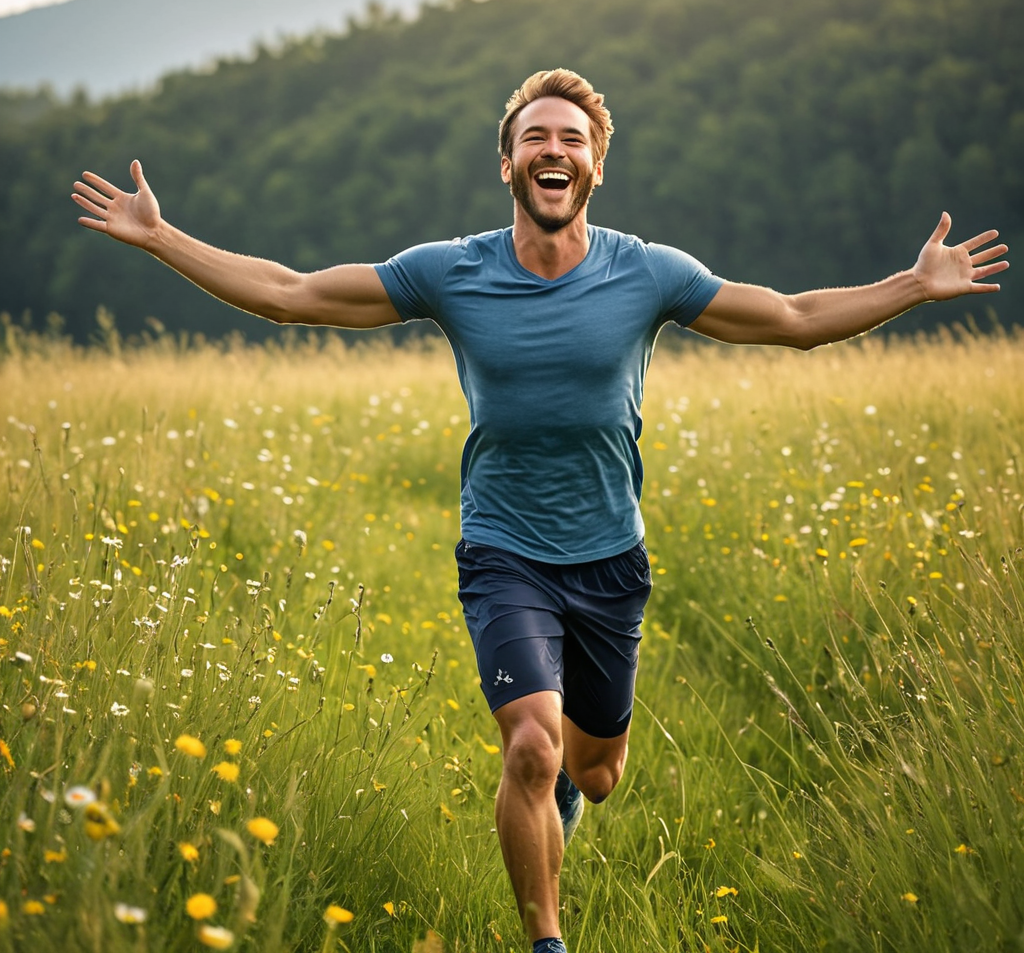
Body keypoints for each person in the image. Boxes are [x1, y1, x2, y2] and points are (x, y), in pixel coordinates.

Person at [72, 69, 1008, 953]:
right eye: (534, 138)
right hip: (504, 552)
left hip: (609, 559)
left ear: (595, 164)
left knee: (593, 773)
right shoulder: (451, 272)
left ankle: (566, 789)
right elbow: (292, 295)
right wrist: (161, 237)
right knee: (529, 744)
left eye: (572, 138)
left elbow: (794, 320)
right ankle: (547, 940)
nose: (552, 150)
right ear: (509, 164)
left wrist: (913, 285)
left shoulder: (649, 273)